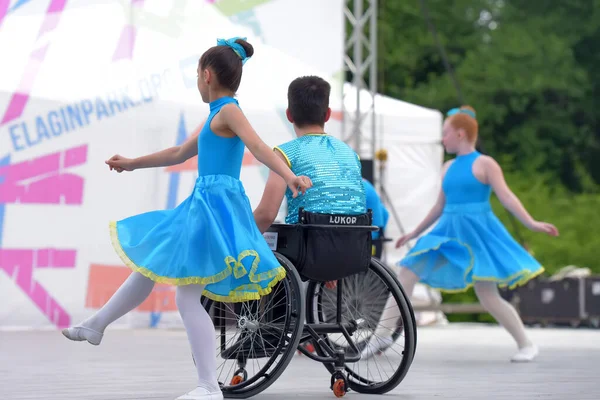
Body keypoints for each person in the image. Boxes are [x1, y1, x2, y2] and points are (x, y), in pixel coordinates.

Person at [61, 37, 312, 400]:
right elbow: (179, 152)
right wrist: (132, 163)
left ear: (206, 75)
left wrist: (288, 177)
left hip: (217, 209)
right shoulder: (216, 115)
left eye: (196, 75)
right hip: (203, 206)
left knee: (185, 298)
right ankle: (96, 325)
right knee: (152, 264)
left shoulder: (229, 112)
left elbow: (258, 147)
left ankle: (209, 387)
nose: (197, 81)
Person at [363, 105, 558, 363]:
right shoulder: (447, 167)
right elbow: (439, 206)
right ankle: (381, 334)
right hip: (448, 232)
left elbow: (507, 197)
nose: (442, 139)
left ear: (461, 134)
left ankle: (526, 343)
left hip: (477, 233)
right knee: (408, 271)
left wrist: (532, 223)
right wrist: (414, 233)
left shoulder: (485, 163)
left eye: (445, 133)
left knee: (488, 295)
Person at [253, 75, 365, 232]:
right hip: (355, 246)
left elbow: (266, 215)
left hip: (307, 248)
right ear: (327, 114)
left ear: (289, 115)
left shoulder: (285, 153)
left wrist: (235, 238)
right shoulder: (351, 154)